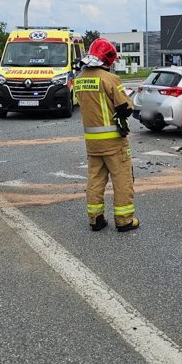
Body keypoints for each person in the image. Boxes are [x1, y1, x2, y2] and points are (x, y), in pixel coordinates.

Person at [74, 38, 138, 232]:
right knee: (122, 180)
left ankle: (96, 219)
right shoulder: (110, 79)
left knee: (95, 180)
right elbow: (126, 108)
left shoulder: (79, 79)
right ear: (108, 58)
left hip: (92, 143)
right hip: (113, 142)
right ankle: (124, 220)